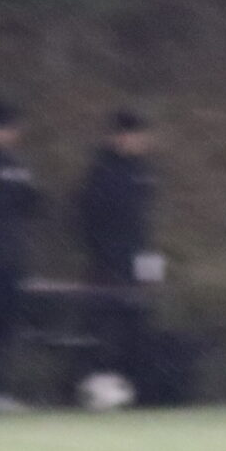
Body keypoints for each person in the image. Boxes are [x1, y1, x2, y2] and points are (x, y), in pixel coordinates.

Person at [73, 109, 161, 383]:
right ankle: (98, 381)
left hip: (139, 259)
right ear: (121, 137)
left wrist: (149, 268)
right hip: (108, 263)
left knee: (138, 324)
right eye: (137, 136)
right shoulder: (102, 172)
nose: (142, 141)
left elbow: (143, 225)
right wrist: (105, 258)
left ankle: (132, 382)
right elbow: (90, 220)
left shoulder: (142, 171)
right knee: (103, 325)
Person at [0, 100, 41, 412]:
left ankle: (2, 391)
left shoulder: (17, 165)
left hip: (11, 259)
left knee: (8, 327)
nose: (13, 135)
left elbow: (32, 204)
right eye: (8, 128)